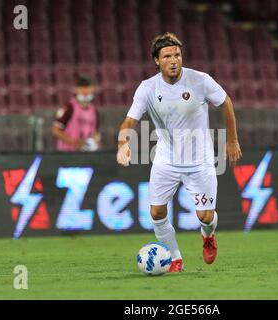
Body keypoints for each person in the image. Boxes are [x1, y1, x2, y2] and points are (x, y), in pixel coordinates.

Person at [116, 33, 242, 272]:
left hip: (200, 160)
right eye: (167, 56)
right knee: (156, 211)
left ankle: (208, 236)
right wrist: (123, 144)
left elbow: (226, 102)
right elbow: (129, 121)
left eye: (177, 55)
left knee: (205, 216)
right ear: (156, 61)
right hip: (166, 160)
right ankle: (174, 259)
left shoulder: (200, 80)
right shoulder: (148, 88)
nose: (173, 60)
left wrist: (232, 140)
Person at [52, 75, 102, 152]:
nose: (85, 91)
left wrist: (95, 142)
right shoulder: (69, 107)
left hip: (87, 153)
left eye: (88, 88)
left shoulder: (94, 110)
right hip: (68, 153)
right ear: (77, 89)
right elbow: (55, 129)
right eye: (83, 88)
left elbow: (96, 132)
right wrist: (74, 142)